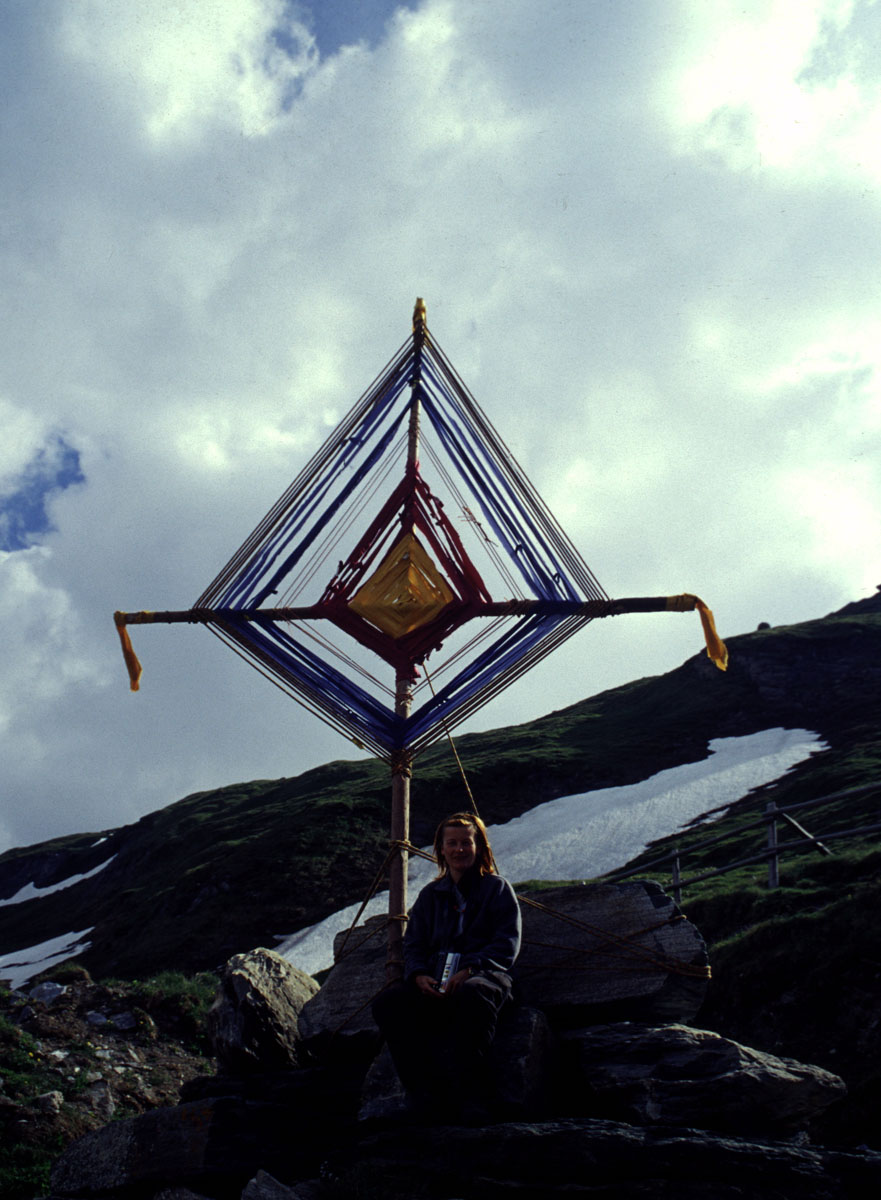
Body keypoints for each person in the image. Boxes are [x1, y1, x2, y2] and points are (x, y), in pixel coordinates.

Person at [372, 811, 521, 1120]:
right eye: (451, 843)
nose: (459, 850)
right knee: (390, 1002)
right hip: (436, 979)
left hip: (485, 977)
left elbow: (507, 942)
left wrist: (472, 968)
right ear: (440, 849)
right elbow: (414, 944)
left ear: (479, 846)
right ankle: (423, 1093)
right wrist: (418, 974)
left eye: (466, 842)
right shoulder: (430, 896)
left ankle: (471, 1097)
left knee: (473, 995)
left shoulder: (497, 889)